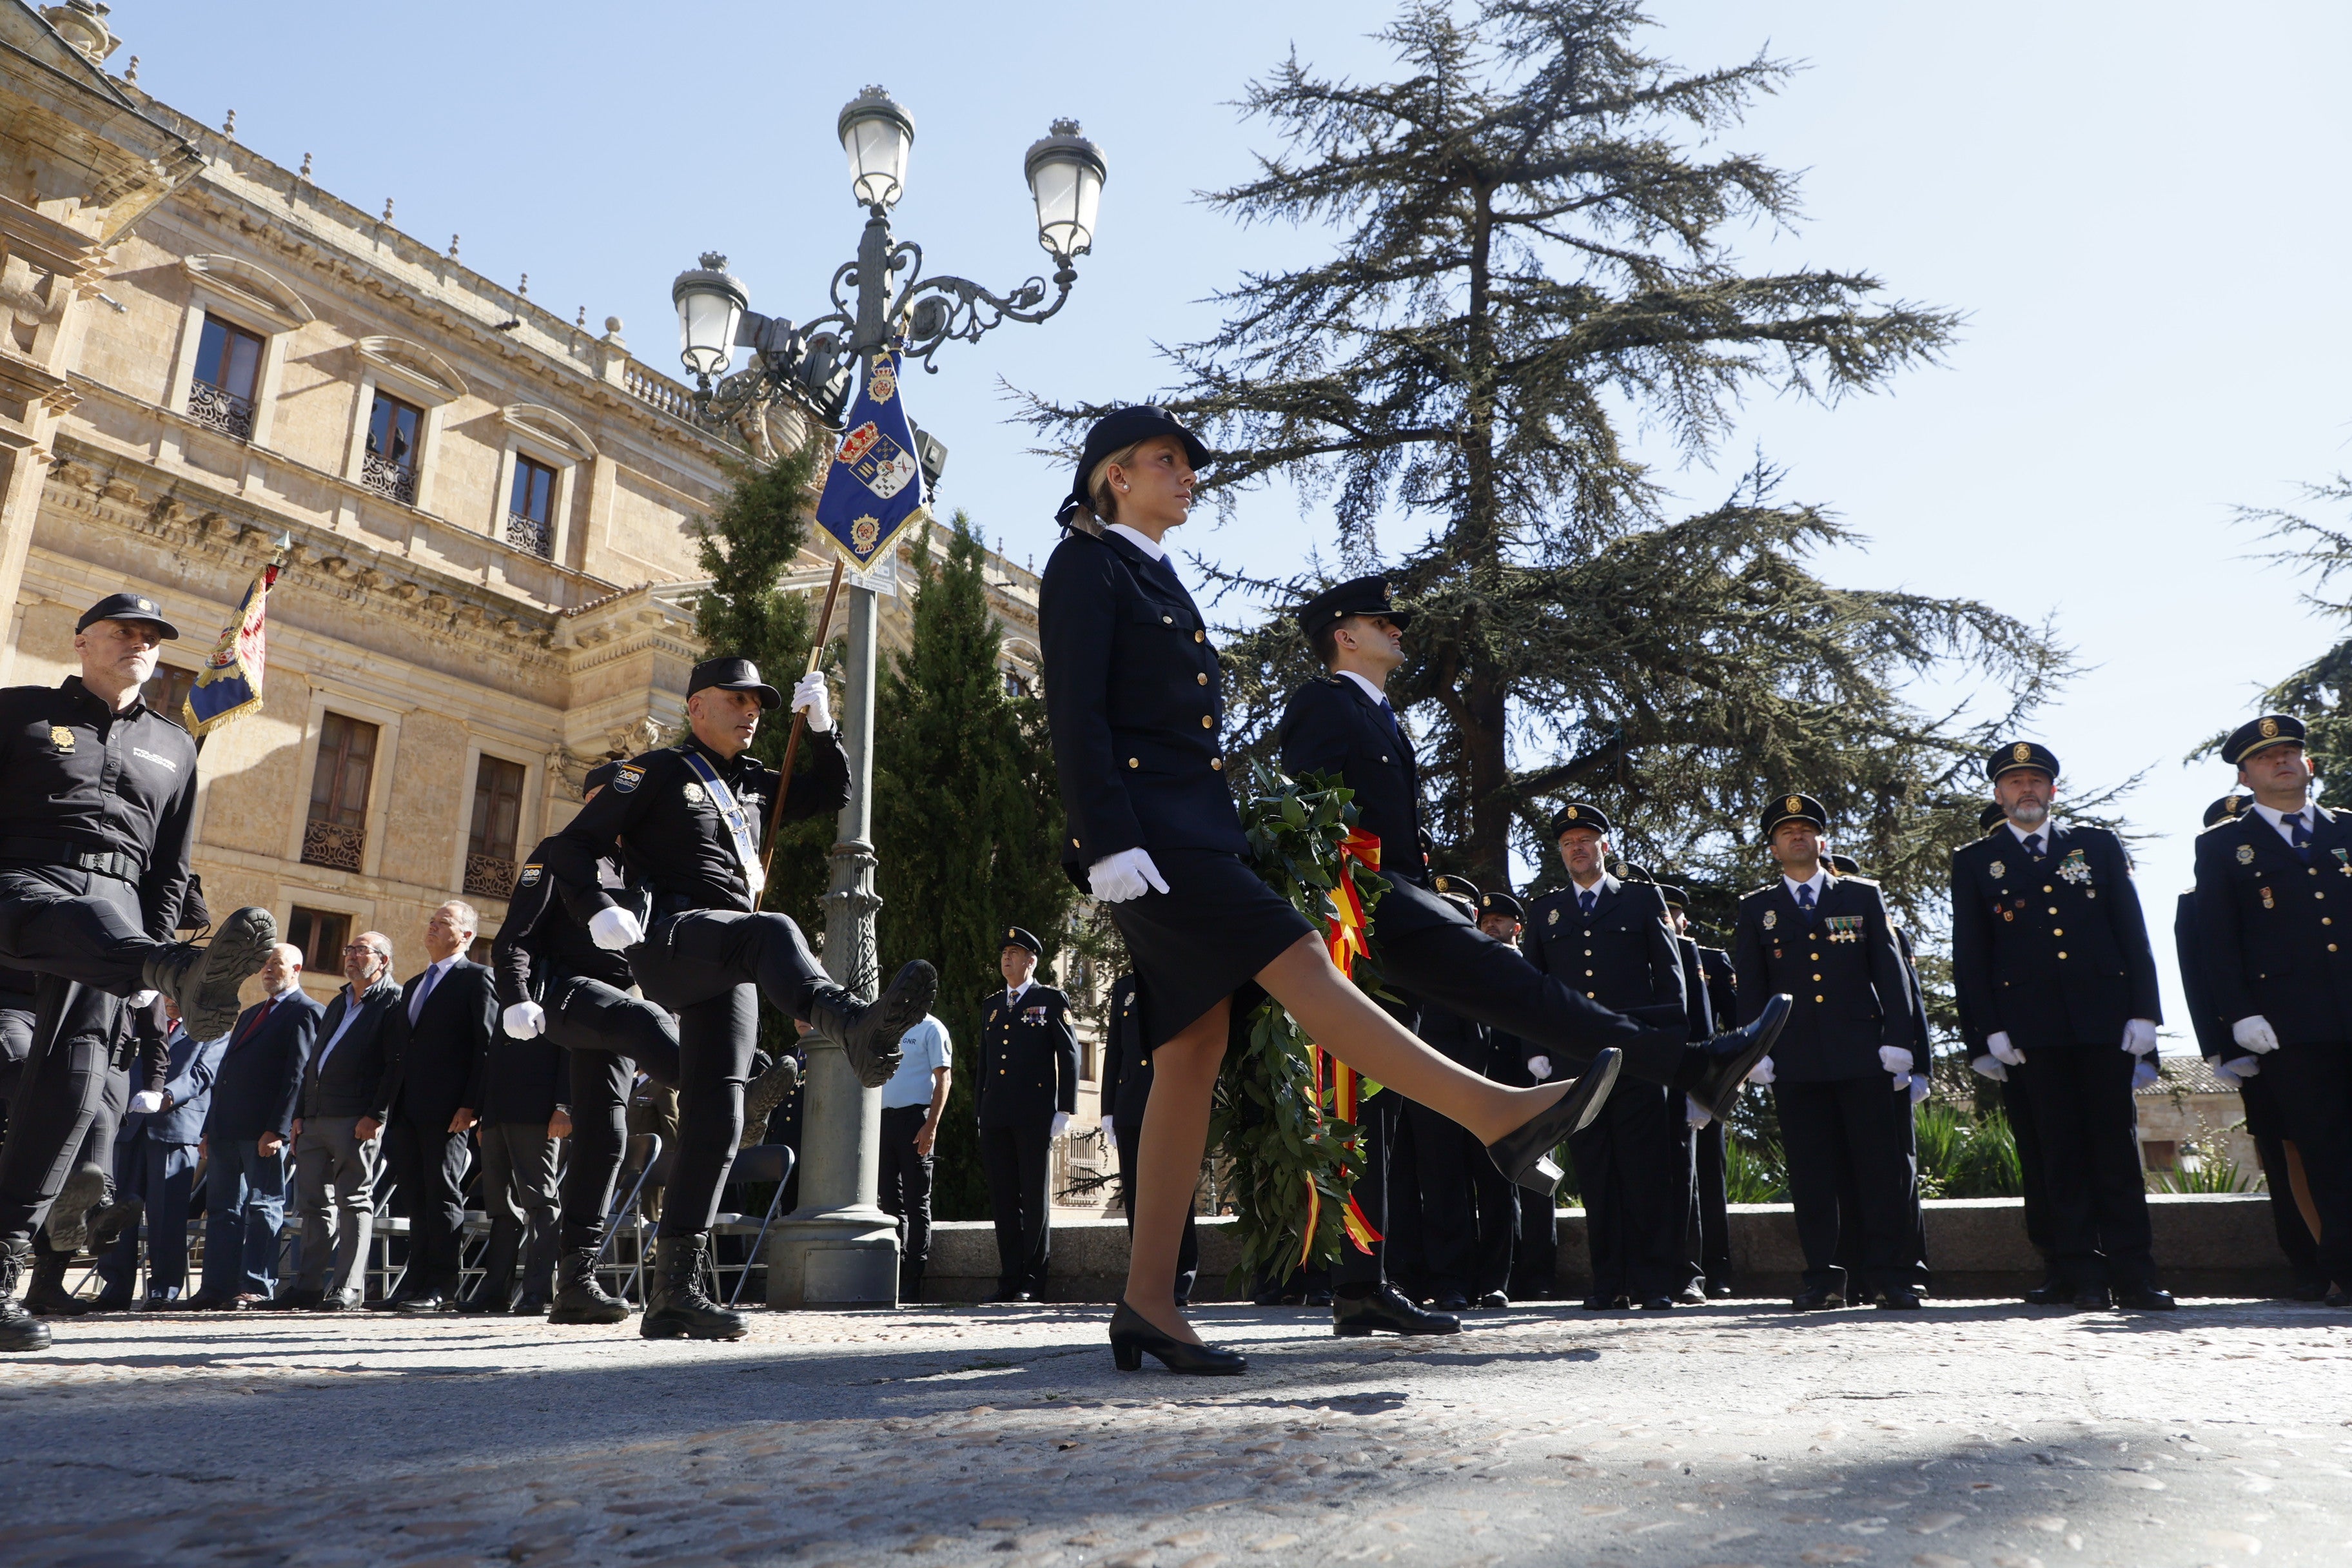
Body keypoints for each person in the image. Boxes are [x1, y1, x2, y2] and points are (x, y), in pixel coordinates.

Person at [1039, 407, 1778, 1375]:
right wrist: (1108, 839)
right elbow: (1076, 710)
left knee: (1193, 1051)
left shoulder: (1149, 570)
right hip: (1156, 843)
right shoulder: (1086, 565)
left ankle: (1144, 1304)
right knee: (1300, 956)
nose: (1188, 476)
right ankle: (1494, 1112)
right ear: (1112, 476)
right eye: (1167, 461)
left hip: (1193, 831)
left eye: (1189, 464)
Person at [536, 656, 936, 1340]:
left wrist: (823, 726)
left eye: (759, 702)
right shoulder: (657, 770)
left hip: (732, 954)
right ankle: (849, 1023)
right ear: (697, 707)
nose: (752, 710)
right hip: (673, 937)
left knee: (717, 1116)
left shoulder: (752, 782)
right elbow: (570, 845)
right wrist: (594, 904)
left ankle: (675, 1292)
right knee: (776, 930)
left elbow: (832, 792)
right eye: (736, 699)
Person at [0, 594, 280, 1351]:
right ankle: (173, 964)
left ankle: (8, 1258)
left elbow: (168, 868)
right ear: (82, 638)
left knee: (73, 1082)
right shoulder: (15, 711)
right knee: (55, 921)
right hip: (22, 877)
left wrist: (150, 973)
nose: (140, 643)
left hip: (121, 910)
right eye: (124, 631)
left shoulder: (175, 746)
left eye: (152, 637)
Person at [1952, 742, 2173, 1312]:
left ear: (2053, 791)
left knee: (2115, 1151)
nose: (2026, 789)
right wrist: (1988, 1031)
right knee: (2059, 1155)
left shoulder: (2094, 846)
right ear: (1998, 795)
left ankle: (2136, 1274)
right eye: (2015, 781)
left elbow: (2132, 932)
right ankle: (2081, 1276)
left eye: (2036, 781)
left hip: (2105, 1022)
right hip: (2031, 1030)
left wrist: (2145, 1012)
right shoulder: (1977, 859)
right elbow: (1972, 954)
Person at [1734, 794, 1918, 1310]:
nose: (1797, 836)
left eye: (1806, 828)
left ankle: (1889, 1276)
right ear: (1772, 847)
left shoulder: (1861, 896)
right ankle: (1824, 1277)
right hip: (1795, 1061)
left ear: (1822, 841)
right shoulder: (1758, 909)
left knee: (1878, 1170)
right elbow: (1751, 986)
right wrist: (1756, 1049)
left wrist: (1899, 1042)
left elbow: (1890, 973)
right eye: (1786, 830)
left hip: (1863, 1055)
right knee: (1813, 1173)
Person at [2193, 714, 2352, 1306]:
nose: (2282, 762)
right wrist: (2239, 1015)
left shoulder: (2347, 830)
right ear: (2245, 775)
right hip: (2289, 1024)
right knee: (2325, 1149)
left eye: (2291, 752)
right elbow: (2217, 940)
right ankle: (2345, 1267)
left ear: (2308, 764)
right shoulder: (2221, 846)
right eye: (2266, 758)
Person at [1525, 816, 1692, 1312]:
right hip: (1577, 1062)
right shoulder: (1546, 912)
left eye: (1585, 841)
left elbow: (1670, 979)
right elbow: (1530, 989)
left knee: (1646, 1171)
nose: (1577, 849)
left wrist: (1669, 1045)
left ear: (1604, 845)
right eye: (1567, 844)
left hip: (1637, 1057)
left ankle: (1653, 1282)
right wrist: (1532, 1049)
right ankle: (1607, 1283)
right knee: (1595, 1172)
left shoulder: (1642, 899)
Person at [2180, 792, 2326, 1300]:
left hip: (2312, 1030)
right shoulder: (2195, 899)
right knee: (2287, 1152)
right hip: (2253, 1048)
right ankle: (2310, 1260)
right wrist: (2224, 1048)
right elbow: (2204, 977)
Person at [366, 901, 496, 1314]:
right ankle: (413, 1284)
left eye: (444, 923)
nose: (433, 928)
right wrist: (382, 1108)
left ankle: (442, 1285)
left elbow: (486, 1047)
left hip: (448, 1110)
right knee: (415, 1197)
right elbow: (399, 1054)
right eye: (431, 922)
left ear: (467, 935)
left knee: (442, 1196)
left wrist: (472, 1104)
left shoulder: (478, 979)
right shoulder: (415, 983)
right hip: (406, 1108)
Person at [1402, 881, 1521, 1311]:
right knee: (1441, 1185)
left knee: (1494, 1185)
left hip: (1489, 1084)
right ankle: (1452, 1282)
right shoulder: (1418, 964)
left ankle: (1495, 1281)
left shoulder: (1488, 958)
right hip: (1435, 1088)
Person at [270, 932, 400, 1311]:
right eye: (350, 950)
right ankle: (307, 1286)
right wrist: (299, 1115)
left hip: (355, 1119)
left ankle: (347, 1288)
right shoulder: (339, 1002)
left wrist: (376, 1115)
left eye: (364, 951)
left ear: (383, 961)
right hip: (315, 1119)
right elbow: (313, 1062)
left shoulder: (394, 1001)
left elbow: (394, 1066)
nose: (354, 957)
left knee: (354, 1201)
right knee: (311, 1205)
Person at [190, 944, 322, 1308]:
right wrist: (209, 1128)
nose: (267, 970)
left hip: (263, 1132)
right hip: (226, 1130)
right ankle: (216, 1288)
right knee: (222, 1211)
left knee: (264, 1207)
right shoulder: (249, 1014)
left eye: (275, 964)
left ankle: (257, 1286)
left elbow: (297, 1076)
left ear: (295, 968)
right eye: (264, 964)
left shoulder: (307, 1012)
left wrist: (278, 1129)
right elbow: (226, 1074)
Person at [91, 998, 223, 1308]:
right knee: (118, 1210)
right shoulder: (138, 1024)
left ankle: (164, 1290)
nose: (172, 1000)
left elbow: (202, 1074)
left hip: (174, 1129)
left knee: (167, 1215)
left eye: (180, 992)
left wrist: (166, 1096)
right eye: (166, 993)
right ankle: (115, 1289)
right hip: (129, 1124)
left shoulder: (210, 1028)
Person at [978, 928, 1078, 1303]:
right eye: (1004, 952)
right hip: (996, 1116)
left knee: (1034, 1197)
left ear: (1031, 961)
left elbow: (1069, 1056)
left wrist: (1065, 1109)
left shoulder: (1050, 1000)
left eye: (1015, 952)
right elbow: (983, 1066)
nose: (1006, 958)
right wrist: (979, 1111)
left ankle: (1033, 1280)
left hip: (1035, 1115)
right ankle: (1009, 1278)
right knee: (1003, 1198)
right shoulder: (991, 1005)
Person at [1100, 972, 1199, 1305]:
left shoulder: (1178, 978)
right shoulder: (1125, 987)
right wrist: (1108, 1109)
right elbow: (1114, 1047)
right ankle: (1145, 1281)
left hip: (1169, 1097)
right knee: (1137, 1194)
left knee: (1175, 1190)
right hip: (1130, 1103)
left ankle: (1181, 1276)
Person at [877, 1009, 952, 1303]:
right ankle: (894, 1271)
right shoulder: (889, 1024)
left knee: (916, 1200)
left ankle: (912, 1278)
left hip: (916, 1120)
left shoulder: (933, 1028)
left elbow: (944, 1079)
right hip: (884, 1121)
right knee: (889, 1199)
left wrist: (930, 1125)